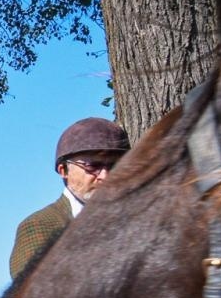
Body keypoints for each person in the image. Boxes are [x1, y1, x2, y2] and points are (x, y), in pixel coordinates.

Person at [8, 117, 130, 278]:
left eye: (115, 166)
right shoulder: (39, 226)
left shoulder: (134, 220)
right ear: (63, 170)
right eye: (93, 166)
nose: (105, 176)